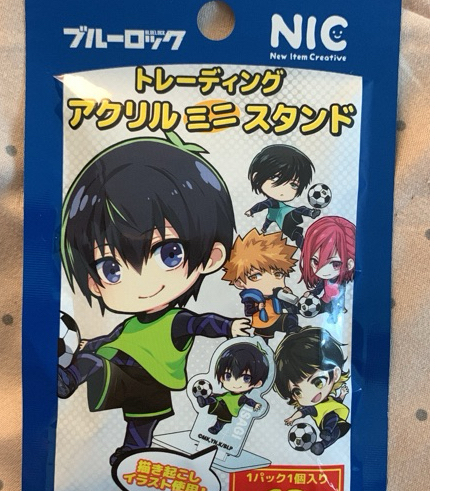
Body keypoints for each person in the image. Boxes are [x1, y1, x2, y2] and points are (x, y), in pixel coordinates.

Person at [57, 131, 251, 465]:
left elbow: (203, 323)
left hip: (153, 381)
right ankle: (69, 379)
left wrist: (230, 327)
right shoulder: (132, 324)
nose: (142, 281)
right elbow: (111, 338)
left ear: (211, 257)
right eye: (111, 269)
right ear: (94, 283)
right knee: (97, 358)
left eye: (169, 253)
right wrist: (88, 344)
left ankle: (133, 452)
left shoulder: (176, 320)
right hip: (123, 368)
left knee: (141, 421)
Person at [274, 328, 351, 455]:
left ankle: (322, 444)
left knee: (336, 433)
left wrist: (342, 394)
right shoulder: (313, 408)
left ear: (336, 374)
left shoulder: (329, 400)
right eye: (298, 392)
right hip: (327, 421)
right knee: (332, 416)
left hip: (340, 423)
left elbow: (336, 402)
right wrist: (292, 418)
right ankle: (326, 431)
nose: (309, 394)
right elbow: (302, 412)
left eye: (318, 382)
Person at [221, 228, 300, 342]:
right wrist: (257, 307)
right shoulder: (250, 297)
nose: (271, 283)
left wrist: (289, 298)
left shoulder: (277, 294)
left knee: (291, 319)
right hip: (262, 324)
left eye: (278, 274)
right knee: (262, 343)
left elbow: (290, 308)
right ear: (239, 283)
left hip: (277, 318)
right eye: (256, 276)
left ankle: (294, 336)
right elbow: (248, 311)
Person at [245, 144, 321, 248]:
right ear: (256, 177)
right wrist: (254, 213)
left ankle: (310, 215)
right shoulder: (272, 203)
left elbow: (266, 217)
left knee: (297, 223)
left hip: (287, 220)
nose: (283, 189)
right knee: (296, 232)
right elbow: (262, 207)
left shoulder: (272, 209)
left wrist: (261, 225)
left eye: (293, 185)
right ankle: (305, 247)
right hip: (287, 220)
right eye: (275, 178)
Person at [194, 342, 268, 435]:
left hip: (228, 411)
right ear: (222, 377)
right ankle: (204, 402)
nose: (235, 382)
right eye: (228, 376)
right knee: (214, 399)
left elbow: (248, 401)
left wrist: (255, 404)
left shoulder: (241, 397)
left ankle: (215, 428)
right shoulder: (228, 394)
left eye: (246, 378)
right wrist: (213, 394)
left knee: (220, 421)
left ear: (257, 383)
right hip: (222, 404)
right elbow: (222, 395)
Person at [298, 216, 356, 320]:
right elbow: (319, 288)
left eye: (335, 264)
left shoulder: (342, 281)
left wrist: (341, 306)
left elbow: (343, 295)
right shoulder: (324, 280)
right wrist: (311, 293)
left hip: (336, 303)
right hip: (325, 301)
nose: (323, 271)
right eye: (316, 261)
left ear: (349, 264)